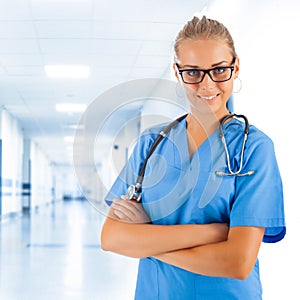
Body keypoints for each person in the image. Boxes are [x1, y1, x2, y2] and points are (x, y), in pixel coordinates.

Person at [101, 16, 286, 300]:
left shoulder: (254, 149)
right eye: (193, 72)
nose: (207, 84)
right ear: (178, 73)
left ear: (235, 68)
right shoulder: (151, 144)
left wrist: (147, 238)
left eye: (219, 70)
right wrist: (215, 233)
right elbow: (111, 238)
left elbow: (236, 262)